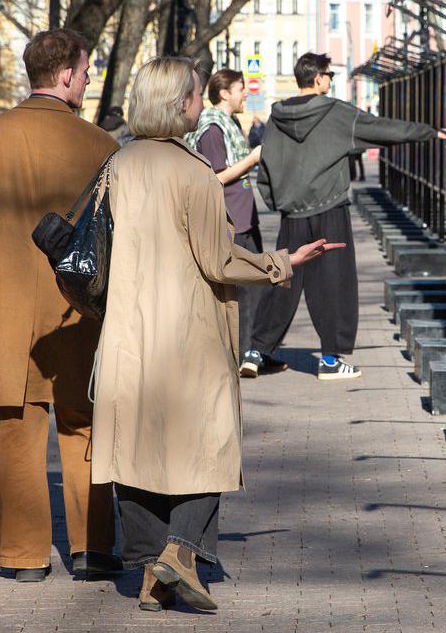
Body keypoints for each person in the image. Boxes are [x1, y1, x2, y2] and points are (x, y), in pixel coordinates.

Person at [91, 57, 342, 611]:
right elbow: (218, 259)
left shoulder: (118, 164)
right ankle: (179, 552)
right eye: (193, 95)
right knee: (209, 439)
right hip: (187, 330)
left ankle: (152, 575)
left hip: (127, 328)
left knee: (134, 449)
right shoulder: (193, 172)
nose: (198, 103)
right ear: (177, 103)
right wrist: (282, 261)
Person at [0, 29, 120, 582]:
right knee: (85, 425)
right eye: (85, 71)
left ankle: (24, 555)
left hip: (13, 311)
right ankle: (92, 549)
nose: (87, 80)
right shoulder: (103, 146)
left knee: (14, 427)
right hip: (80, 313)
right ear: (64, 75)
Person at [254, 52, 446, 381]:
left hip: (292, 213)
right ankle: (330, 361)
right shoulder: (335, 112)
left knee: (283, 278)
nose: (331, 81)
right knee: (334, 284)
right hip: (330, 209)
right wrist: (430, 132)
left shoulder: (276, 116)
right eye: (330, 76)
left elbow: (267, 162)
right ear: (319, 78)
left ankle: (256, 351)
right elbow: (382, 129)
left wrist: (277, 200)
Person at [185, 69, 286, 378]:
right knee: (244, 291)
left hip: (244, 217)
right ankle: (244, 354)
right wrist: (252, 160)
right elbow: (215, 178)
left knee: (257, 285)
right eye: (241, 89)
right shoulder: (213, 129)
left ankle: (254, 351)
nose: (246, 94)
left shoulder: (230, 124)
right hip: (230, 220)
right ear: (224, 93)